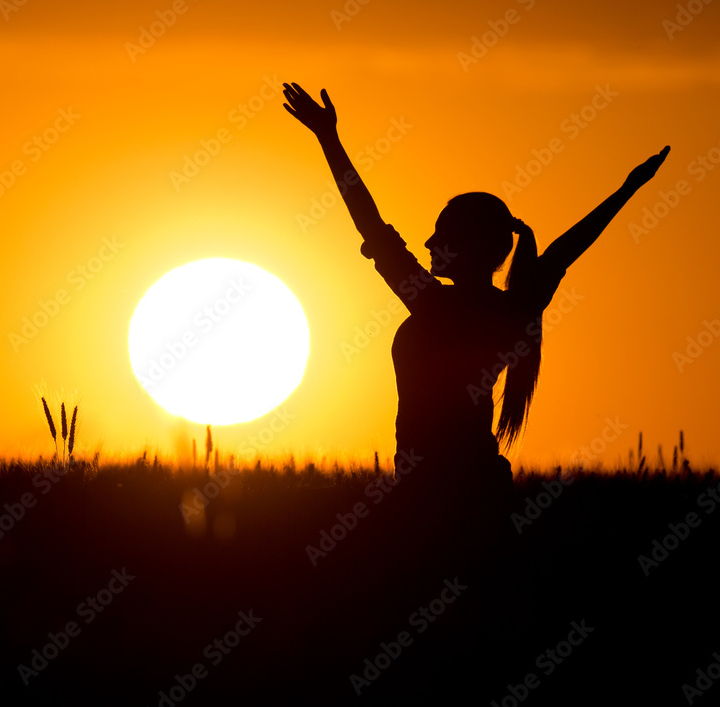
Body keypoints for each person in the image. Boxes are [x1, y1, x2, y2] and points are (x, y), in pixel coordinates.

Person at [282, 82, 669, 701]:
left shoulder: (431, 306)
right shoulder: (511, 310)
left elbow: (369, 220)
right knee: (473, 643)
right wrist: (625, 192)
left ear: (473, 246)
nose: (431, 241)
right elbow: (566, 250)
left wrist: (329, 140)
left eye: (443, 232)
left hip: (428, 495)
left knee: (407, 647)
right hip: (469, 491)